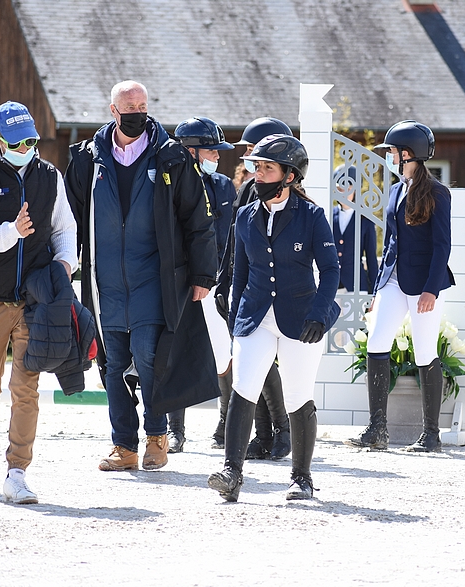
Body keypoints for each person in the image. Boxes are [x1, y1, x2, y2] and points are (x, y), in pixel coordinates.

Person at [64, 80, 218, 472]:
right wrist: (62, 263)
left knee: (150, 358)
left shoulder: (172, 158)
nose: (137, 112)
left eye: (143, 105)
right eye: (129, 106)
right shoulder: (86, 160)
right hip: (105, 283)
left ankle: (156, 436)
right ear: (113, 110)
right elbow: (67, 219)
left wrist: (203, 273)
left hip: (155, 278)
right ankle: (124, 446)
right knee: (113, 364)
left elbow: (198, 219)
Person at [208, 134, 340, 501]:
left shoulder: (312, 216)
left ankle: (302, 477)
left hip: (301, 318)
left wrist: (318, 314)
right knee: (243, 387)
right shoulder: (245, 215)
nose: (258, 174)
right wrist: (236, 317)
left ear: (289, 176)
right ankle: (232, 473)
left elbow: (330, 270)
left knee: (298, 396)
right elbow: (239, 271)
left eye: (267, 168)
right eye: (257, 166)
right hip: (255, 316)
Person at [0, 101, 78, 504]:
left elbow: (64, 227)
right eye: (17, 141)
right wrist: (13, 232)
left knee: (26, 389)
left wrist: (66, 264)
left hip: (35, 300)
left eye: (31, 139)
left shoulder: (50, 176)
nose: (26, 147)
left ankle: (17, 471)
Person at [345, 120, 454, 453]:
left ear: (408, 154)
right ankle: (378, 429)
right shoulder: (394, 190)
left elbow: (442, 245)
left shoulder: (438, 192)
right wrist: (378, 290)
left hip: (423, 284)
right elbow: (389, 243)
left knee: (424, 351)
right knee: (377, 341)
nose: (389, 157)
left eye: (392, 152)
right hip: (393, 278)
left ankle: (431, 435)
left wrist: (431, 290)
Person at [216, 117, 295, 461]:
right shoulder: (249, 187)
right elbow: (237, 239)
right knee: (250, 363)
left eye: (253, 152)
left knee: (267, 364)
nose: (247, 159)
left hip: (271, 292)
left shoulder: (272, 194)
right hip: (242, 281)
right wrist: (224, 279)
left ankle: (282, 430)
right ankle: (262, 434)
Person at [172, 116, 236, 451]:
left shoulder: (224, 186)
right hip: (182, 280)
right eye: (211, 151)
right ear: (191, 151)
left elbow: (229, 236)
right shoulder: (170, 183)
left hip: (218, 281)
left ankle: (226, 422)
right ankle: (175, 430)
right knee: (176, 351)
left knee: (223, 351)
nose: (217, 156)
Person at [332, 165, 378, 294]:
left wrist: (374, 291)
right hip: (331, 284)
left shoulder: (365, 220)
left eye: (348, 188)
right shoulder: (328, 216)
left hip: (357, 285)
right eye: (339, 188)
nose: (343, 193)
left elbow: (371, 257)